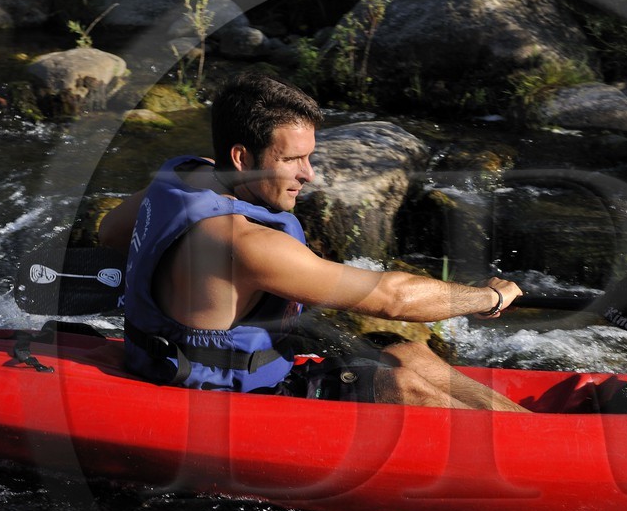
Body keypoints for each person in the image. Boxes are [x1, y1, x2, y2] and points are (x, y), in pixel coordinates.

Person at [97, 73, 528, 411]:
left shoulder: (184, 176)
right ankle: (545, 455)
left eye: (309, 155)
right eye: (291, 160)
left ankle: (531, 433)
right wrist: (488, 297)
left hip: (167, 357)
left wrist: (184, 287)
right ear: (241, 157)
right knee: (402, 384)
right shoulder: (248, 244)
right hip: (226, 398)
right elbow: (394, 299)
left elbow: (112, 233)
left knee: (411, 353)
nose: (309, 174)